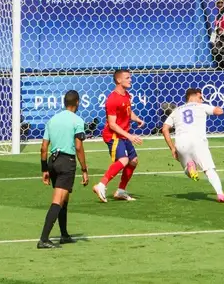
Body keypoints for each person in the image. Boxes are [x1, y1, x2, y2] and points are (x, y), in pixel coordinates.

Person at [37, 90, 89, 249]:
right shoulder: (78, 121)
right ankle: (43, 239)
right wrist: (84, 169)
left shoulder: (52, 120)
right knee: (58, 200)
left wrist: (44, 169)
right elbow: (78, 147)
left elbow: (43, 148)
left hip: (52, 162)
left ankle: (64, 235)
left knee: (64, 199)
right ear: (77, 102)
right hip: (66, 162)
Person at [162, 88, 224, 203]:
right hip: (198, 141)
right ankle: (220, 194)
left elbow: (164, 129)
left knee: (188, 172)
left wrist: (172, 148)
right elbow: (219, 111)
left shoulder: (176, 110)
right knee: (208, 169)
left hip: (181, 143)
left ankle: (190, 165)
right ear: (194, 95)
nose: (201, 99)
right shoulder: (201, 106)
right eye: (200, 97)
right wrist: (216, 107)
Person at [92, 69, 144, 203]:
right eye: (127, 78)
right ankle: (101, 185)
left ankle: (121, 190)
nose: (130, 80)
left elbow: (128, 112)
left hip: (123, 135)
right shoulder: (112, 99)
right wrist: (130, 136)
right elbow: (112, 124)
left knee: (133, 161)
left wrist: (137, 119)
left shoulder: (126, 95)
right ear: (119, 80)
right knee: (124, 160)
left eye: (130, 77)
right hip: (113, 135)